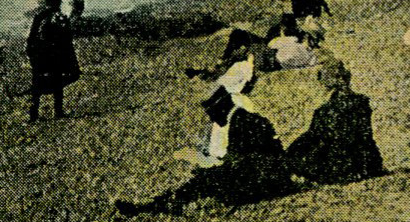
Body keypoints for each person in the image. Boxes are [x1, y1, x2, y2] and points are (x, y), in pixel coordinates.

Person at [115, 86, 293, 215]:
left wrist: (210, 168)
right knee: (208, 177)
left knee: (207, 178)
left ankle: (156, 205)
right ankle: (161, 203)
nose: (211, 119)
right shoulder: (246, 118)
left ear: (221, 108)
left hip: (266, 182)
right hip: (275, 177)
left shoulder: (240, 124)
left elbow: (237, 160)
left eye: (212, 113)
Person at [286, 61, 384, 184]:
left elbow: (328, 136)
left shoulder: (332, 108)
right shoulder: (358, 102)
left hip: (346, 161)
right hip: (364, 160)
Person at [26, 0, 79, 122]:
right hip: (55, 56)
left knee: (37, 84)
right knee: (57, 83)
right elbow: (67, 39)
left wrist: (32, 55)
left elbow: (31, 38)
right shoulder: (60, 17)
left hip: (40, 56)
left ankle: (34, 113)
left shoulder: (40, 16)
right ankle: (58, 111)